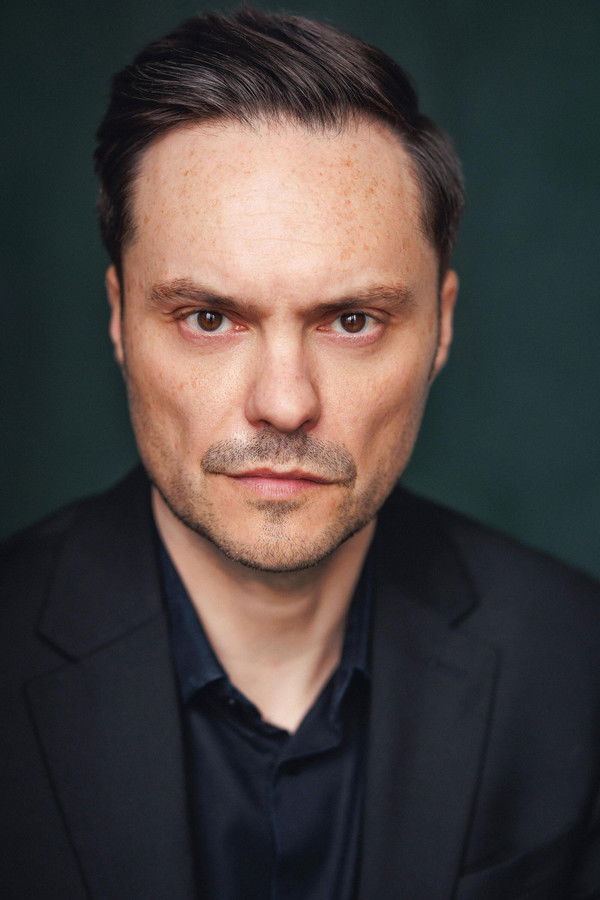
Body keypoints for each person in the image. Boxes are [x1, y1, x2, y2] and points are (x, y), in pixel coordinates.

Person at [2, 8, 599, 898]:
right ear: (120, 318)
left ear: (441, 328)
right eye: (209, 318)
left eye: (352, 320)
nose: (284, 403)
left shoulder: (577, 662)